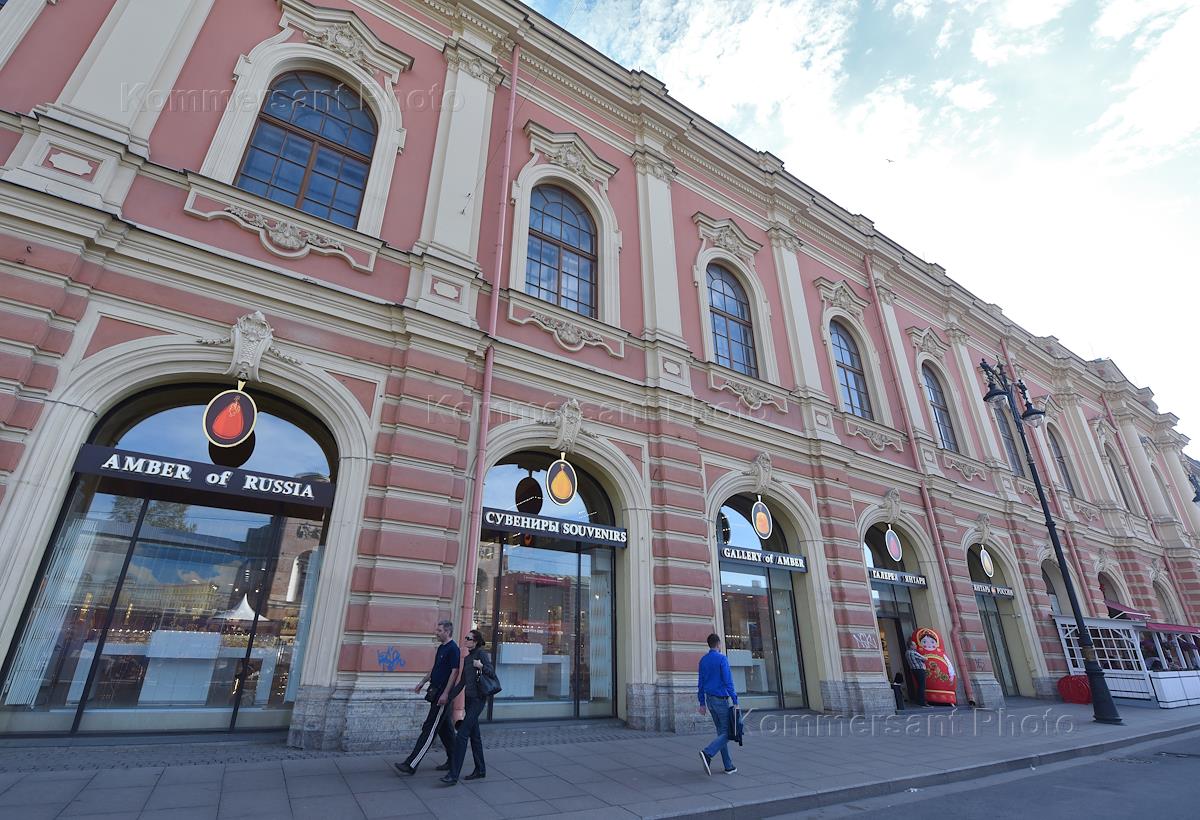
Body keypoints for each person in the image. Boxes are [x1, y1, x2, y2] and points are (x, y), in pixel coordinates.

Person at [394, 620, 460, 776]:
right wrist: (422, 682)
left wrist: (446, 693)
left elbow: (454, 672)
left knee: (429, 729)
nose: (436, 633)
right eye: (437, 630)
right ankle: (454, 760)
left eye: (439, 630)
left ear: (447, 632)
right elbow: (435, 668)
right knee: (445, 729)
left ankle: (411, 764)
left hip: (442, 696)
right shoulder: (442, 648)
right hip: (435, 692)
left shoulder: (453, 649)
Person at [440, 629, 494, 786]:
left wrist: (481, 666)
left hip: (478, 700)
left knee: (462, 735)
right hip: (469, 701)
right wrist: (448, 697)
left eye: (468, 638)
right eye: (465, 638)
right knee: (475, 736)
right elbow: (462, 682)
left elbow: (491, 673)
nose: (465, 640)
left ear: (475, 641)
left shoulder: (481, 655)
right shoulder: (468, 658)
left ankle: (453, 775)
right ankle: (480, 770)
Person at [697, 633, 738, 775]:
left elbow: (700, 683)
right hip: (721, 700)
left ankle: (728, 765)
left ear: (709, 644)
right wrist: (735, 700)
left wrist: (702, 703)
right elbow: (728, 681)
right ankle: (707, 753)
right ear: (719, 644)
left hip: (710, 700)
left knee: (721, 732)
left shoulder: (703, 660)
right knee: (728, 732)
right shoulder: (722, 659)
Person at [904, 640, 930, 707]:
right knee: (922, 686)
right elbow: (925, 658)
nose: (916, 646)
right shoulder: (913, 653)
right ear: (911, 646)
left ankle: (918, 700)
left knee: (919, 685)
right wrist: (925, 657)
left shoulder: (907, 652)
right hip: (920, 669)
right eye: (914, 645)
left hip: (913, 670)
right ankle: (922, 702)